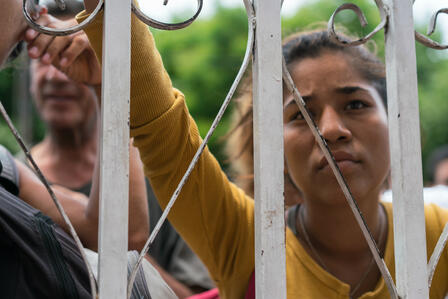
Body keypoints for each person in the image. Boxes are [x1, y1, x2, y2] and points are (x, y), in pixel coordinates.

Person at [55, 1, 448, 297]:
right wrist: (114, 47)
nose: (330, 129)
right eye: (301, 115)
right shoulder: (247, 240)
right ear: (270, 145)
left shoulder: (437, 233)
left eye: (355, 104)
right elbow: (163, 132)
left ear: (398, 119)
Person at [24, 2, 214, 297]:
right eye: (44, 58)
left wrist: (114, 257)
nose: (56, 77)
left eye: (70, 54)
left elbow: (201, 295)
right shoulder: (14, 183)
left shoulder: (161, 175)